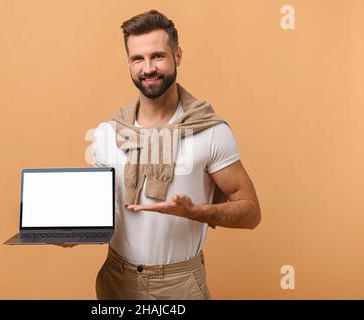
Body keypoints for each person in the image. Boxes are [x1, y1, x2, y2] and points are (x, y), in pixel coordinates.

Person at [59, 9, 261, 300]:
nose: (148, 68)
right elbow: (101, 213)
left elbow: (251, 212)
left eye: (158, 56)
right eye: (137, 59)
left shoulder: (209, 130)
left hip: (180, 283)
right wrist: (72, 233)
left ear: (177, 56)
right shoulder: (108, 133)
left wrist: (196, 212)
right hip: (118, 279)